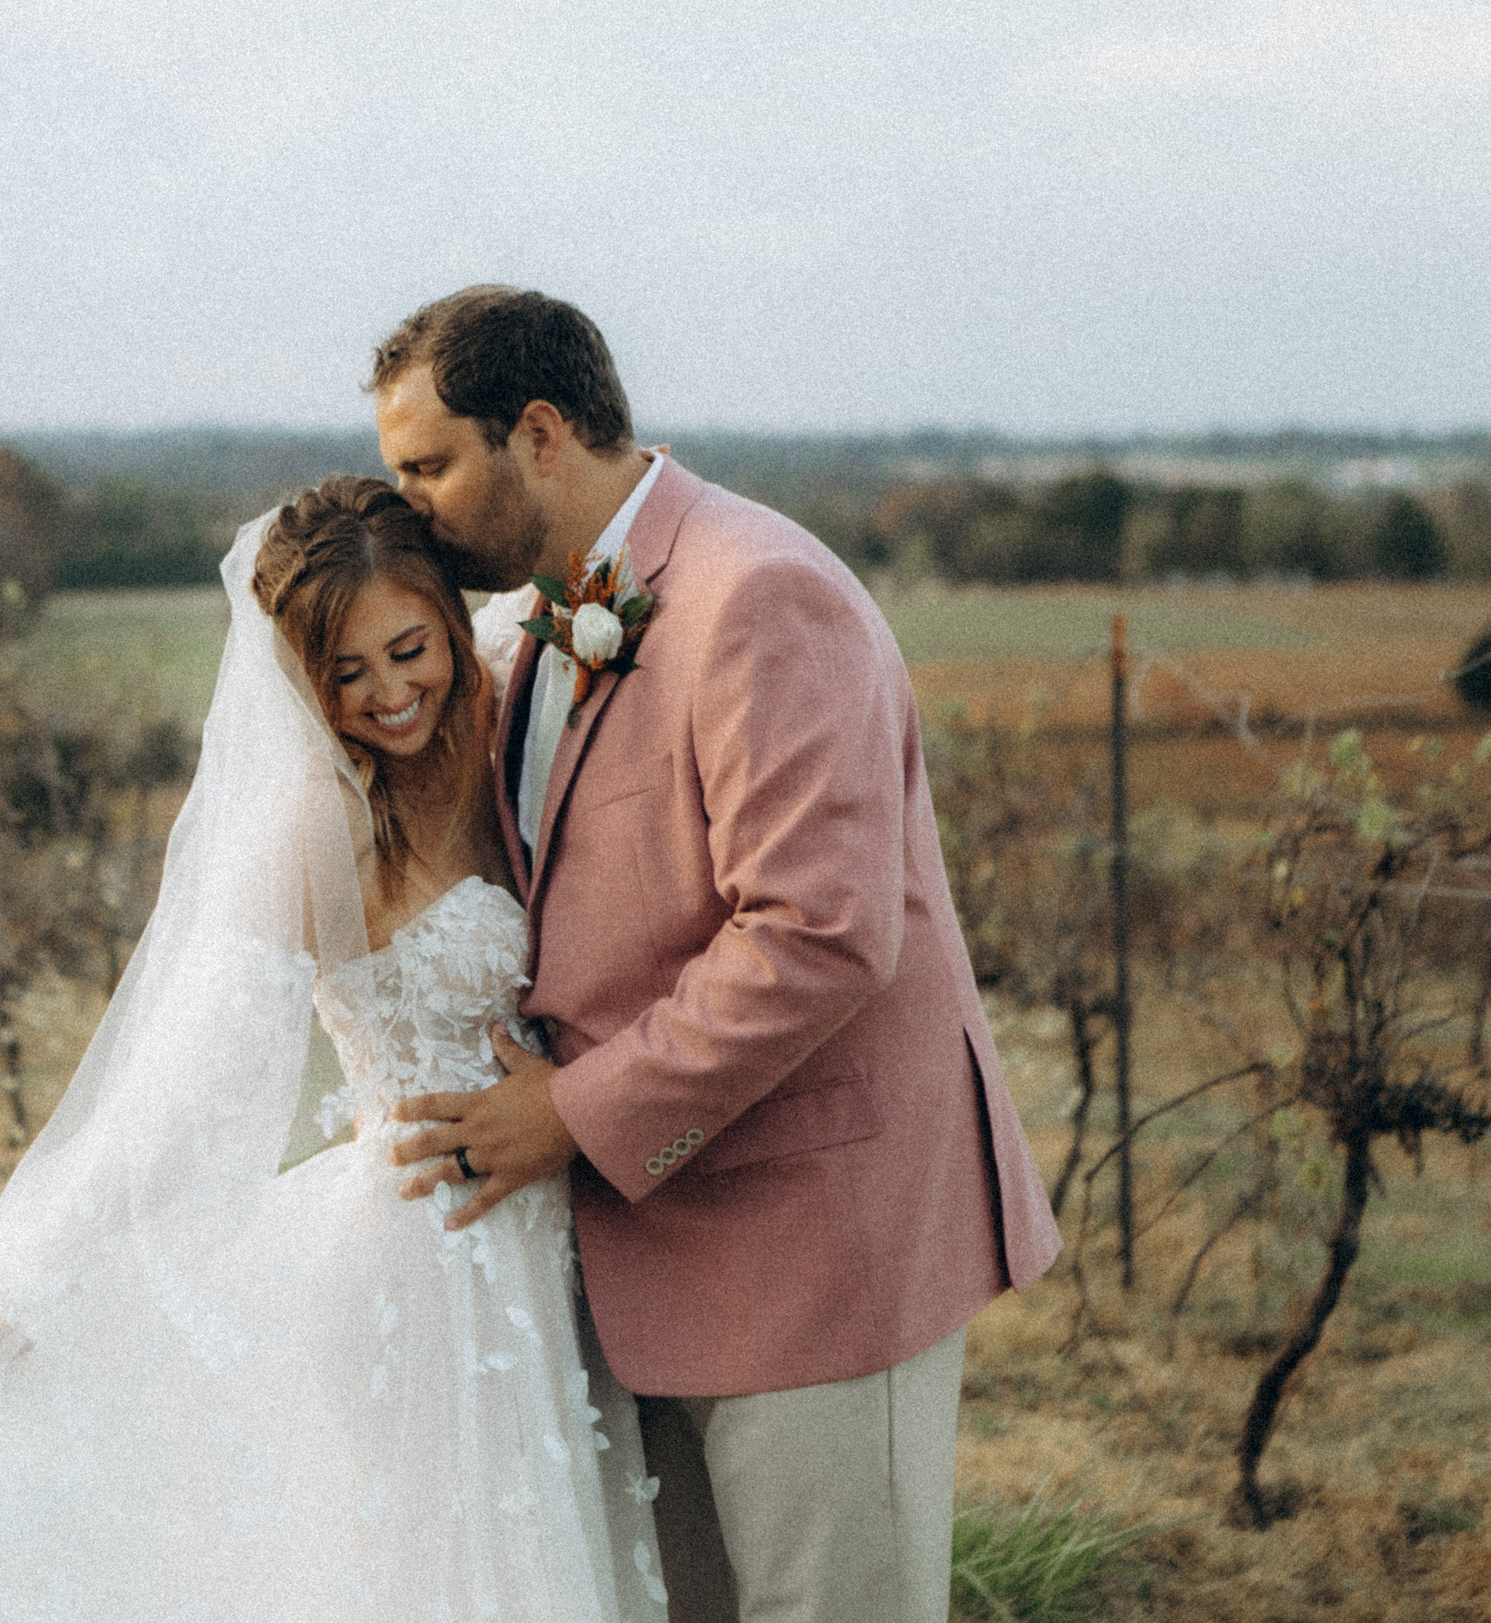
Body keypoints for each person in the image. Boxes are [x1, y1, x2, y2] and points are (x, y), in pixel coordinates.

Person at [0, 477, 669, 1621]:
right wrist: (29, 1292)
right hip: (420, 1279)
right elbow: (192, 1085)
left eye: (408, 649)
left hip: (541, 1251)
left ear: (448, 618)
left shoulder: (509, 718)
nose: (388, 695)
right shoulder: (310, 828)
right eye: (343, 675)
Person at [368, 286, 1063, 1623]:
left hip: (815, 1251)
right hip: (647, 1256)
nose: (410, 506)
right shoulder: (531, 629)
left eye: (429, 465)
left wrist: (567, 1112)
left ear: (540, 430)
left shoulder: (761, 594)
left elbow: (818, 932)